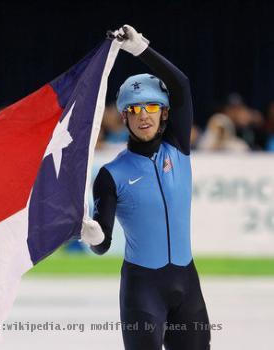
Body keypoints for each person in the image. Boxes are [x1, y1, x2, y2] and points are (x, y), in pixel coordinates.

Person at [81, 25, 211, 350]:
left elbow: (180, 84)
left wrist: (141, 48)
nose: (143, 116)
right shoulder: (111, 174)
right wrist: (94, 235)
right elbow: (102, 244)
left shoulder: (178, 147)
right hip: (142, 292)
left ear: (164, 112)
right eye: (134, 110)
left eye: (151, 107)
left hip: (187, 285)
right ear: (124, 117)